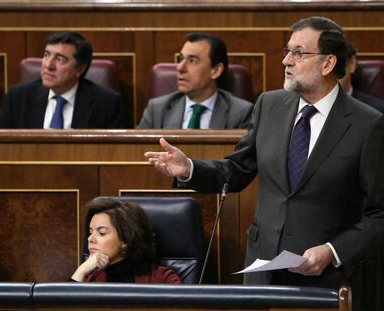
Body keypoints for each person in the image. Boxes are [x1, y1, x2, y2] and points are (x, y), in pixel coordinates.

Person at [144, 16, 384, 310]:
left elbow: (379, 214)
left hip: (329, 279)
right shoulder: (269, 105)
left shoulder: (367, 124)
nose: (286, 61)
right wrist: (190, 169)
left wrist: (333, 251)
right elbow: (238, 170)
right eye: (287, 50)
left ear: (328, 63)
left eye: (298, 53)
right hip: (264, 272)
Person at [0, 31, 125, 129]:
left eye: (60, 59)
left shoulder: (106, 103)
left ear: (80, 68)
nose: (48, 65)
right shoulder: (18, 98)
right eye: (46, 55)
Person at [137, 32, 253, 129]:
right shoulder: (156, 110)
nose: (180, 68)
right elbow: (138, 153)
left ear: (216, 70)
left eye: (193, 61)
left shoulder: (241, 113)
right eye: (181, 59)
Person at [71, 197, 182, 284]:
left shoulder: (163, 278)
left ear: (125, 239)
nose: (90, 239)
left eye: (102, 233)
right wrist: (80, 271)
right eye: (90, 232)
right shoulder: (89, 277)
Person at [339, 41, 384, 113]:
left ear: (351, 63)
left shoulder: (377, 111)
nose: (327, 71)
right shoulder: (314, 106)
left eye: (336, 63)